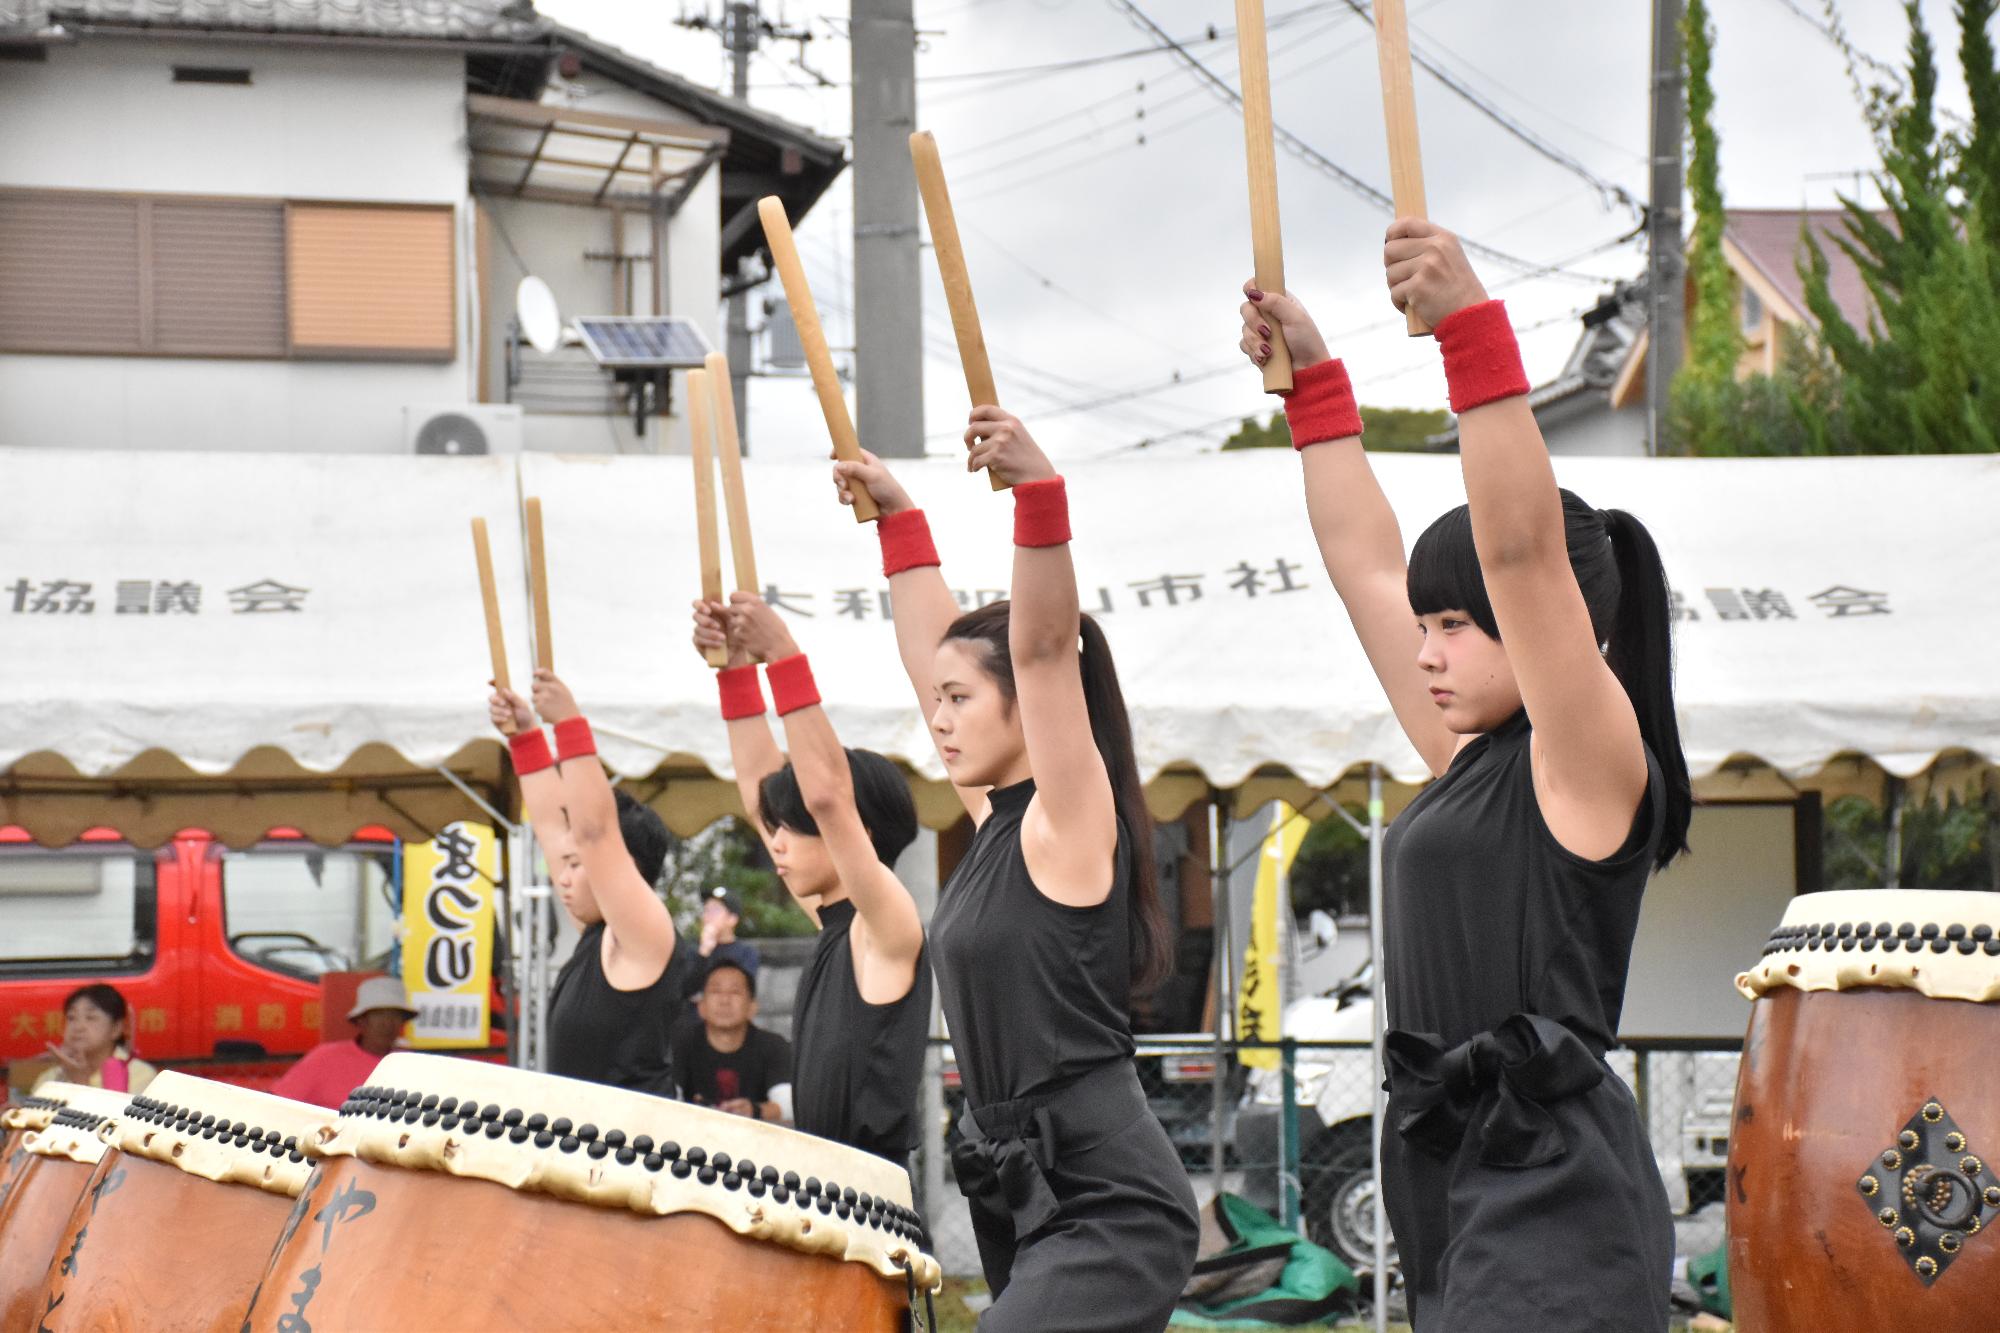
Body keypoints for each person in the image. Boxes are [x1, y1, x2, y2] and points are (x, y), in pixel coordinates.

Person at [1234, 219, 1692, 1330]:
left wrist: (1471, 331)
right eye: (1425, 625)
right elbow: (1362, 566)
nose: (1426, 649)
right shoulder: (1468, 760)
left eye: (1455, 625)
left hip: (1553, 1182)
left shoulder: (1585, 756)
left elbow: (1520, 551)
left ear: (1549, 629)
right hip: (1444, 1169)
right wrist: (1315, 395)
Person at [834, 413, 1198, 1331]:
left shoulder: (1065, 823)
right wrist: (899, 522)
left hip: (1111, 1201)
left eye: (961, 699)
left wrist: (1039, 498)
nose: (940, 717)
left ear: (1026, 706)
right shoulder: (997, 827)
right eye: (938, 701)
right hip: (1021, 1182)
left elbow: (1041, 650)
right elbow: (935, 652)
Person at [691, 590, 930, 1169]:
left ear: (856, 831)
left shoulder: (885, 926)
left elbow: (826, 797)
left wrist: (784, 655)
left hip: (870, 1202)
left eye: (798, 828)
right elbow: (760, 793)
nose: (775, 841)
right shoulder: (836, 922)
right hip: (825, 1187)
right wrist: (735, 671)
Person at [489, 669, 686, 1094]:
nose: (563, 875)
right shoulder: (598, 935)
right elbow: (550, 824)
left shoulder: (641, 936)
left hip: (634, 1150)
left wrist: (568, 723)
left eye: (579, 864)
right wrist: (525, 736)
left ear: (620, 866)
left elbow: (596, 832)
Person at [670, 958, 791, 1123]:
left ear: (752, 1007)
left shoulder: (774, 1046)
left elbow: (788, 1105)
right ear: (701, 1006)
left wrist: (754, 1111)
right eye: (715, 991)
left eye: (735, 992)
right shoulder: (679, 1044)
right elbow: (666, 1099)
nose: (724, 1001)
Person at [269, 975, 416, 1109]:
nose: (387, 1023)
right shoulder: (325, 1057)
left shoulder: (410, 1063)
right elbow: (278, 1103)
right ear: (361, 1020)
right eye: (379, 1015)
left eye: (395, 1016)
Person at [33, 983, 156, 1094]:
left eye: (91, 1018)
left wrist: (81, 1084)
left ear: (116, 1028)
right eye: (71, 1018)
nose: (78, 1027)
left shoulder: (140, 1074)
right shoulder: (51, 1078)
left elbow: (116, 1118)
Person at [679, 885, 760, 1008]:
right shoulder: (692, 950)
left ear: (732, 919)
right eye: (706, 910)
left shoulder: (746, 953)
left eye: (715, 911)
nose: (708, 916)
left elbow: (744, 990)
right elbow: (686, 990)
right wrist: (704, 952)